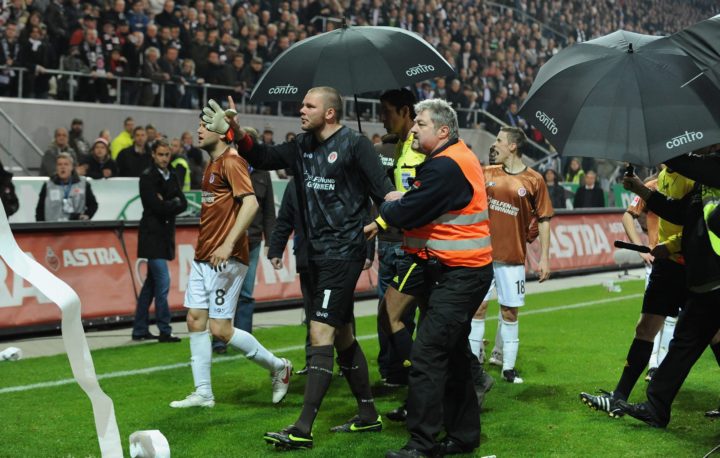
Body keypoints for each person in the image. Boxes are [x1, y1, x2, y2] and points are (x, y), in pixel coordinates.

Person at [203, 86, 396, 450]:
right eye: (302, 104)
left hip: (342, 253)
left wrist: (381, 226)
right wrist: (237, 132)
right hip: (313, 255)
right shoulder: (301, 145)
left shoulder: (356, 146)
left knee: (319, 334)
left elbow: (384, 193)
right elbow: (261, 155)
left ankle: (303, 429)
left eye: (309, 105)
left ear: (330, 113)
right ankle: (368, 416)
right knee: (343, 336)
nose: (301, 110)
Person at [364, 98, 493, 458]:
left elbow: (408, 211)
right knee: (449, 354)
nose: (414, 128)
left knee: (428, 354)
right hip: (449, 268)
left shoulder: (445, 166)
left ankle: (421, 443)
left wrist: (392, 202)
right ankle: (464, 436)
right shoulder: (450, 159)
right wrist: (404, 202)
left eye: (421, 123)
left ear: (443, 131)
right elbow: (421, 207)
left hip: (459, 272)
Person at [169, 116, 292, 409]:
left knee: (221, 329)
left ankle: (278, 367)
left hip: (227, 258)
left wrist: (227, 244)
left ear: (222, 134)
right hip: (204, 255)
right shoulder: (212, 164)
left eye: (205, 125)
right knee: (195, 320)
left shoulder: (232, 162)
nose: (198, 129)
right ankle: (203, 393)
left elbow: (251, 204)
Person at [617, 148, 720, 428]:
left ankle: (655, 406)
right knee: (684, 343)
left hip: (714, 275)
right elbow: (684, 215)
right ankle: (656, 407)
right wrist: (644, 191)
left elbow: (688, 167)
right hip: (705, 278)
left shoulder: (711, 168)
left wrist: (660, 146)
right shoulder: (703, 179)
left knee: (686, 342)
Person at [579, 166, 694, 417]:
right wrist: (643, 248)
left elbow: (693, 220)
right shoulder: (657, 182)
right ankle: (619, 397)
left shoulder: (694, 179)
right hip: (664, 265)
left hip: (694, 266)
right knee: (646, 328)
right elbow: (628, 216)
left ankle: (653, 386)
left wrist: (672, 245)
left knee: (711, 333)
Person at [469, 126, 553, 384]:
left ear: (513, 146)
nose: (495, 145)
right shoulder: (486, 173)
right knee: (478, 309)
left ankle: (508, 367)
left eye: (499, 140)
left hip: (513, 258)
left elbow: (544, 219)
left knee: (509, 312)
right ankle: (473, 367)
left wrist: (544, 257)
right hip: (482, 256)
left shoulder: (534, 180)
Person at [374, 89, 426, 388]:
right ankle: (396, 373)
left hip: (417, 246)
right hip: (393, 242)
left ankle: (417, 374)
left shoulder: (422, 149)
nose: (383, 117)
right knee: (389, 313)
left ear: (405, 111)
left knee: (406, 314)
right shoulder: (389, 150)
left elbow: (420, 197)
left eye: (388, 111)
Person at [212, 126, 276, 354]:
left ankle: (243, 341)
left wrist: (271, 242)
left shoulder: (263, 173)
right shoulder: (226, 169)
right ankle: (220, 338)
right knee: (223, 289)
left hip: (255, 241)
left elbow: (269, 210)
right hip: (228, 241)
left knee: (246, 294)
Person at [132, 139, 187, 343]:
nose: (164, 158)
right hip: (152, 236)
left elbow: (182, 203)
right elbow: (155, 206)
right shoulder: (147, 177)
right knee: (163, 283)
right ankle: (164, 329)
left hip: (164, 235)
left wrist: (168, 203)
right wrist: (171, 203)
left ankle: (139, 329)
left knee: (150, 285)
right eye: (161, 154)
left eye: (167, 154)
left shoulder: (172, 174)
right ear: (153, 155)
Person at [267, 177, 312, 371]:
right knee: (312, 313)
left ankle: (347, 362)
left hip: (337, 258)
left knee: (341, 313)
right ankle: (314, 362)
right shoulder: (295, 183)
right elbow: (285, 218)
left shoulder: (338, 175)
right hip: (308, 257)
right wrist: (276, 250)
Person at [36, 152, 98, 222]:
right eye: (59, 164)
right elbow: (40, 210)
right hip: (53, 229)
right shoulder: (48, 186)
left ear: (72, 167)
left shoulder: (83, 184)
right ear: (56, 167)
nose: (62, 167)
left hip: (76, 228)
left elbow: (93, 205)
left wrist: (87, 215)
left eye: (66, 164)